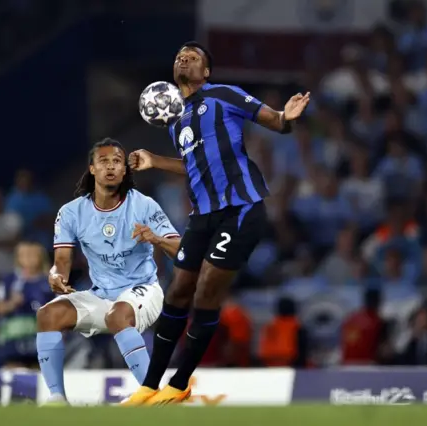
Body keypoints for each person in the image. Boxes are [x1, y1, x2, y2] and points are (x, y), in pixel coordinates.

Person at [123, 41, 310, 405]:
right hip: (202, 215)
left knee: (207, 286)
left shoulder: (224, 94)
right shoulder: (175, 122)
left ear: (205, 72)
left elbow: (276, 122)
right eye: (179, 55)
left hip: (241, 208)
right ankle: (148, 386)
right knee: (177, 292)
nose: (184, 58)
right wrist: (155, 161)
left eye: (193, 57)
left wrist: (287, 118)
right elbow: (191, 165)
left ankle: (178, 385)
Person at [35, 138, 181, 404]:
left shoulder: (144, 205)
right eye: (104, 162)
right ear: (92, 168)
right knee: (48, 315)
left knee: (118, 315)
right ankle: (57, 399)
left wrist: (157, 239)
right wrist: (56, 276)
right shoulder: (71, 212)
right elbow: (62, 260)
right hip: (101, 295)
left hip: (144, 291)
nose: (111, 167)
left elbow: (182, 251)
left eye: (117, 161)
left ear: (125, 170)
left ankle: (152, 394)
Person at [0, 242, 53, 369]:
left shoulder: (50, 283)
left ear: (40, 257)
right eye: (24, 255)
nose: (28, 259)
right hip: (13, 340)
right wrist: (12, 303)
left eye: (32, 255)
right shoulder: (8, 281)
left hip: (38, 339)